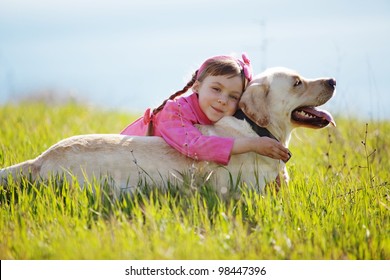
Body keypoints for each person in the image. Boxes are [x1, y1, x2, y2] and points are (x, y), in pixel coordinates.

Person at [120, 54, 290, 165]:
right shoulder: (174, 112)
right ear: (196, 87)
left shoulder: (222, 118)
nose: (223, 100)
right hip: (124, 160)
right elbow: (194, 146)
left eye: (233, 96)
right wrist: (253, 145)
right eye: (216, 89)